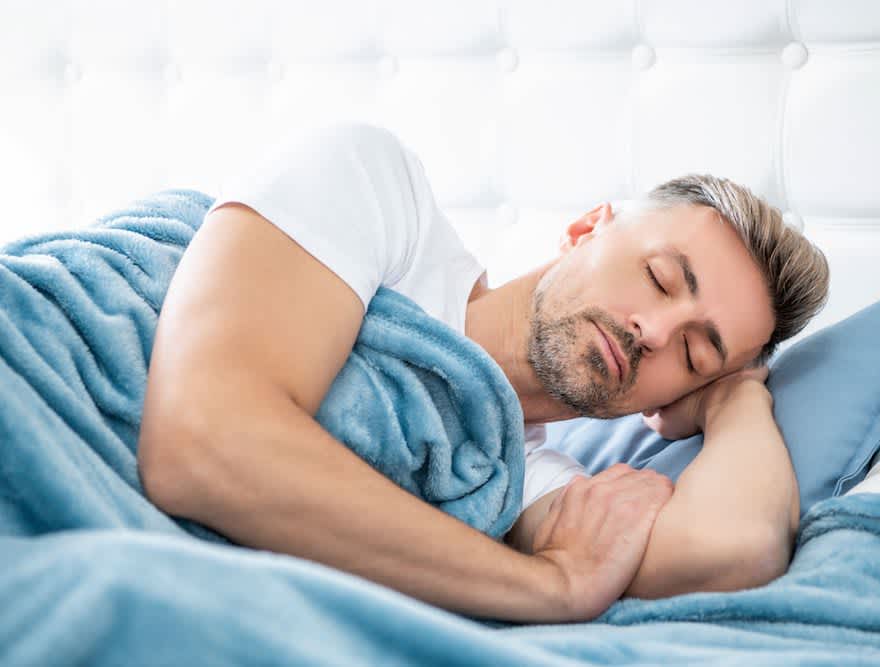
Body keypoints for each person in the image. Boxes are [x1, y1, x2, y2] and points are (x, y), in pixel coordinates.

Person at [137, 122, 829, 624]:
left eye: (694, 354)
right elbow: (199, 440)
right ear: (588, 227)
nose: (654, 331)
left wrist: (736, 402)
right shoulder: (382, 195)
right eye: (659, 278)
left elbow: (734, 547)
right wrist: (548, 587)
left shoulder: (520, 482)